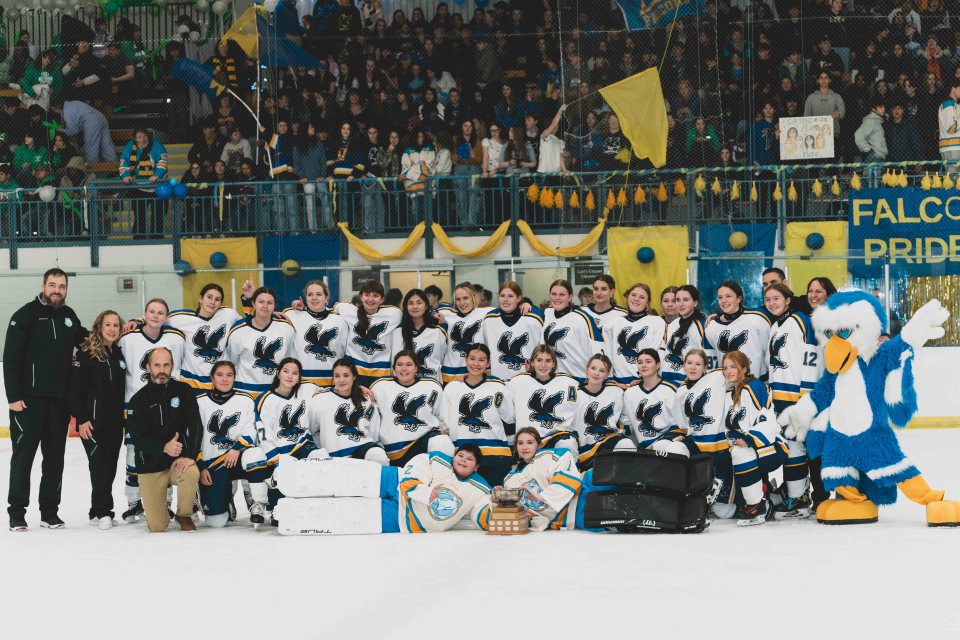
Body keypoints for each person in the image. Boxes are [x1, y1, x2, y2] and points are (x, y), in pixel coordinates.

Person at [5, 268, 87, 531]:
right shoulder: (25, 315)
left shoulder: (68, 316)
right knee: (23, 458)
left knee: (54, 459)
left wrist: (120, 329)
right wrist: (14, 396)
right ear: (43, 285)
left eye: (62, 286)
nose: (57, 290)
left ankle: (49, 512)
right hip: (28, 402)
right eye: (52, 285)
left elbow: (86, 340)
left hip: (59, 402)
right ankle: (17, 513)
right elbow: (11, 358)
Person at [117, 298, 186, 522]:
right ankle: (133, 501)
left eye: (161, 313)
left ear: (166, 317)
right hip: (135, 406)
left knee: (164, 453)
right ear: (144, 313)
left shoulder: (175, 338)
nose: (156, 316)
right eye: (151, 311)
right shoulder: (128, 338)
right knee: (133, 454)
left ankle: (164, 502)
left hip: (166, 405)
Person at [124, 348, 202, 533]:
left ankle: (184, 514)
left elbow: (196, 425)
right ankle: (161, 510)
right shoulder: (138, 400)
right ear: (148, 367)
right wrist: (163, 447)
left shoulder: (184, 391)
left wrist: (190, 455)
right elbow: (137, 439)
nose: (162, 369)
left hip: (177, 462)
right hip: (150, 465)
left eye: (166, 365)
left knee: (190, 471)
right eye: (157, 365)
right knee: (157, 527)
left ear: (172, 366)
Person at [764, 282, 819, 518]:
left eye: (777, 298)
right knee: (788, 447)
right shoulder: (775, 325)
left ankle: (799, 501)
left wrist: (805, 398)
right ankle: (794, 494)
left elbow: (812, 358)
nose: (772, 303)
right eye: (768, 299)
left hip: (796, 397)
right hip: (778, 397)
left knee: (796, 446)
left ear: (788, 300)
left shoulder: (800, 320)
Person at [68, 310, 126, 529]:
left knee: (109, 466)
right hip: (92, 423)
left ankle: (95, 510)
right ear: (99, 327)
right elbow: (75, 390)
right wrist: (81, 419)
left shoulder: (118, 355)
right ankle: (104, 511)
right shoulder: (86, 353)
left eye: (116, 325)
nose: (112, 329)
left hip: (114, 423)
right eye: (107, 325)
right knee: (99, 465)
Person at [196, 361, 270, 528]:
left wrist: (236, 449)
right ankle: (225, 498)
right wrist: (201, 467)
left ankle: (257, 503)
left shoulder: (245, 400)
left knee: (255, 454)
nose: (225, 379)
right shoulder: (199, 402)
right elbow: (193, 437)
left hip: (237, 458)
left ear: (234, 378)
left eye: (229, 375)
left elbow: (251, 430)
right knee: (216, 522)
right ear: (212, 379)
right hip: (212, 464)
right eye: (219, 375)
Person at [721, 351, 786, 526]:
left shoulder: (754, 387)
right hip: (751, 447)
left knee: (741, 454)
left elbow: (768, 419)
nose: (728, 371)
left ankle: (758, 505)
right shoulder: (730, 392)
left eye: (733, 366)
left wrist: (749, 440)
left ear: (744, 367)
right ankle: (770, 496)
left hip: (771, 445)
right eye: (725, 367)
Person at [439, 344, 516, 485]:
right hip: (463, 459)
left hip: (496, 456)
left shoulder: (498, 388)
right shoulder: (452, 388)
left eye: (481, 360)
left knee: (495, 502)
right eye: (472, 358)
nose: (476, 363)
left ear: (488, 363)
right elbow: (446, 423)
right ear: (466, 360)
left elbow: (510, 420)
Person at [672, 348, 733, 517]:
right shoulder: (680, 392)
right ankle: (678, 497)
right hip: (697, 442)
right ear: (683, 366)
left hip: (720, 443)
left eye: (698, 364)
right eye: (689, 363)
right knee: (674, 450)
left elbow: (738, 373)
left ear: (705, 367)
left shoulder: (717, 377)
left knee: (725, 513)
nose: (693, 367)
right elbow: (683, 423)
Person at [162, 281, 252, 392]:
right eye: (209, 297)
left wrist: (250, 300)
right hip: (190, 384)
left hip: (220, 385)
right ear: (200, 298)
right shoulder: (180, 318)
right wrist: (137, 322)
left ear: (221, 303)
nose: (212, 302)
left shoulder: (228, 315)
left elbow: (250, 325)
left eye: (217, 299)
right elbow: (156, 318)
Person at [370, 350, 453, 466]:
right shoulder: (380, 386)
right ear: (393, 368)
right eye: (399, 365)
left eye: (409, 365)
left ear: (416, 368)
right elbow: (372, 418)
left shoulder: (432, 386)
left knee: (443, 443)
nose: (404, 368)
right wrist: (359, 389)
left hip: (423, 442)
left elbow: (444, 416)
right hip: (392, 449)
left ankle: (441, 480)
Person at [500, 427, 583, 530]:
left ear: (539, 446)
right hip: (563, 522)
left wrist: (542, 496)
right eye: (520, 443)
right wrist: (499, 499)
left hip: (581, 504)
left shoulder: (553, 456)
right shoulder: (509, 479)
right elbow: (521, 511)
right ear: (516, 448)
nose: (524, 447)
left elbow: (570, 479)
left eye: (530, 442)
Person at [307, 358, 387, 463]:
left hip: (363, 448)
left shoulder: (366, 399)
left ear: (354, 376)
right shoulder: (319, 399)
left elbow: (374, 432)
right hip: (333, 454)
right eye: (337, 376)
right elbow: (309, 429)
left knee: (378, 456)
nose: (341, 380)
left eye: (346, 375)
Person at [508, 345, 579, 455]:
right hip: (529, 441)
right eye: (539, 360)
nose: (543, 365)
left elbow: (581, 403)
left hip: (556, 437)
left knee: (568, 443)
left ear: (554, 363)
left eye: (548, 361)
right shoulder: (517, 382)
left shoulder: (569, 383)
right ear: (532, 362)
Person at [225, 287, 296, 394]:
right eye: (261, 302)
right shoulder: (238, 331)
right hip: (244, 391)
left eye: (269, 302)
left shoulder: (286, 328)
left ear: (274, 306)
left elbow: (288, 358)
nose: (265, 306)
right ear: (253, 303)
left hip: (275, 392)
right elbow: (232, 362)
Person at [331, 280, 402, 386]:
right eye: (367, 295)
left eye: (375, 295)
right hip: (353, 373)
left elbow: (414, 318)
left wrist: (432, 316)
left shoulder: (395, 314)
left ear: (382, 299)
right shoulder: (347, 310)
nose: (370, 299)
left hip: (382, 374)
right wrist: (300, 309)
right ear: (361, 296)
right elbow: (325, 310)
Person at [620, 348, 687, 454]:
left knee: (660, 445)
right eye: (640, 362)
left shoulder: (673, 388)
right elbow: (627, 425)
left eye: (648, 361)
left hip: (672, 439)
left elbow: (684, 423)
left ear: (658, 365)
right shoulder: (630, 393)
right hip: (646, 446)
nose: (643, 365)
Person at [573, 354, 632, 470]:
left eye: (602, 370)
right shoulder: (575, 394)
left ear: (607, 374)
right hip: (585, 451)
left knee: (627, 444)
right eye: (593, 368)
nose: (596, 373)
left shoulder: (616, 391)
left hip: (609, 443)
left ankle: (629, 485)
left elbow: (627, 415)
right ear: (586, 369)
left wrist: (632, 385)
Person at [285, 280, 348, 387]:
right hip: (302, 385)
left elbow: (345, 353)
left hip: (334, 384)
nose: (314, 297)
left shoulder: (340, 320)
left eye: (319, 294)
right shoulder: (292, 315)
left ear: (326, 298)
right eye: (310, 295)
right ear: (305, 299)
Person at [704, 280, 771, 378]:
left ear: (739, 298)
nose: (723, 301)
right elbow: (712, 361)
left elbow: (769, 352)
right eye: (720, 297)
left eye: (728, 296)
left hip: (756, 383)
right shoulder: (711, 326)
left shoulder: (757, 319)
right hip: (728, 386)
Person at [542, 279, 604, 381]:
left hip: (578, 379)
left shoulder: (583, 318)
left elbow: (599, 350)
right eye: (554, 294)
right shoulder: (548, 313)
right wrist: (525, 305)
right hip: (553, 379)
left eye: (562, 294)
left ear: (570, 297)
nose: (557, 298)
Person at [605, 282, 666, 384]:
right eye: (633, 295)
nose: (636, 299)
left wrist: (644, 378)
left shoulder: (656, 322)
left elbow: (658, 354)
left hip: (645, 383)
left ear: (647, 303)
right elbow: (608, 353)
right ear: (628, 297)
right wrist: (609, 378)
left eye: (642, 297)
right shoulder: (613, 324)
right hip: (618, 383)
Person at [482, 281, 544, 381]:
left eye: (510, 296)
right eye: (502, 296)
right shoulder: (489, 318)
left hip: (528, 380)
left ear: (519, 298)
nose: (505, 300)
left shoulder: (535, 318)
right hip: (498, 380)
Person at [437, 282, 493, 382]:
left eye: (466, 298)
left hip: (478, 373)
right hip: (450, 375)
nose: (462, 303)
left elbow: (510, 309)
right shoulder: (446, 312)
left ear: (474, 297)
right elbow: (426, 311)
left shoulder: (486, 313)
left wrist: (525, 305)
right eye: (458, 299)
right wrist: (433, 314)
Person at [119, 128, 169, 238]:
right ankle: (138, 238)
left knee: (158, 214)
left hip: (158, 187)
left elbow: (162, 161)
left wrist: (157, 175)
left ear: (148, 136)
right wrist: (126, 176)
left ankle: (156, 238)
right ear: (135, 139)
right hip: (139, 187)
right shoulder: (130, 146)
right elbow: (124, 161)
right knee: (139, 215)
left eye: (144, 136)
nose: (142, 139)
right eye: (139, 137)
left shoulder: (156, 145)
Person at [661, 285, 710, 385]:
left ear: (695, 303)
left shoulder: (703, 325)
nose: (681, 304)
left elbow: (707, 358)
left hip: (687, 383)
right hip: (666, 381)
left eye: (686, 300)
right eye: (678, 300)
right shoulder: (673, 324)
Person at [394, 288, 447, 379]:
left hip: (431, 386)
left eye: (419, 303)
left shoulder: (438, 332)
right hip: (403, 387)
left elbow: (441, 360)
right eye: (410, 303)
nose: (415, 306)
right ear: (406, 307)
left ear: (426, 306)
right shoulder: (397, 332)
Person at [51, 99, 117, 164]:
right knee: (106, 145)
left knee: (90, 148)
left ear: (54, 108)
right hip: (101, 117)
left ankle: (91, 170)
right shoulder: (71, 104)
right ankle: (114, 166)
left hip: (91, 122)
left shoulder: (66, 112)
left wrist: (62, 130)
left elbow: (74, 131)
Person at [804, 72, 845, 141]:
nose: (823, 80)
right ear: (817, 80)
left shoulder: (836, 96)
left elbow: (842, 112)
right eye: (821, 78)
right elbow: (806, 116)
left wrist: (838, 113)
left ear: (829, 80)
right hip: (815, 134)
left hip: (832, 133)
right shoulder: (811, 97)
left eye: (826, 78)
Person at [938, 78, 960, 161]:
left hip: (954, 147)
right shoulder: (948, 105)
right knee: (952, 174)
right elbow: (951, 127)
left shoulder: (955, 105)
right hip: (951, 148)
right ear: (953, 88)